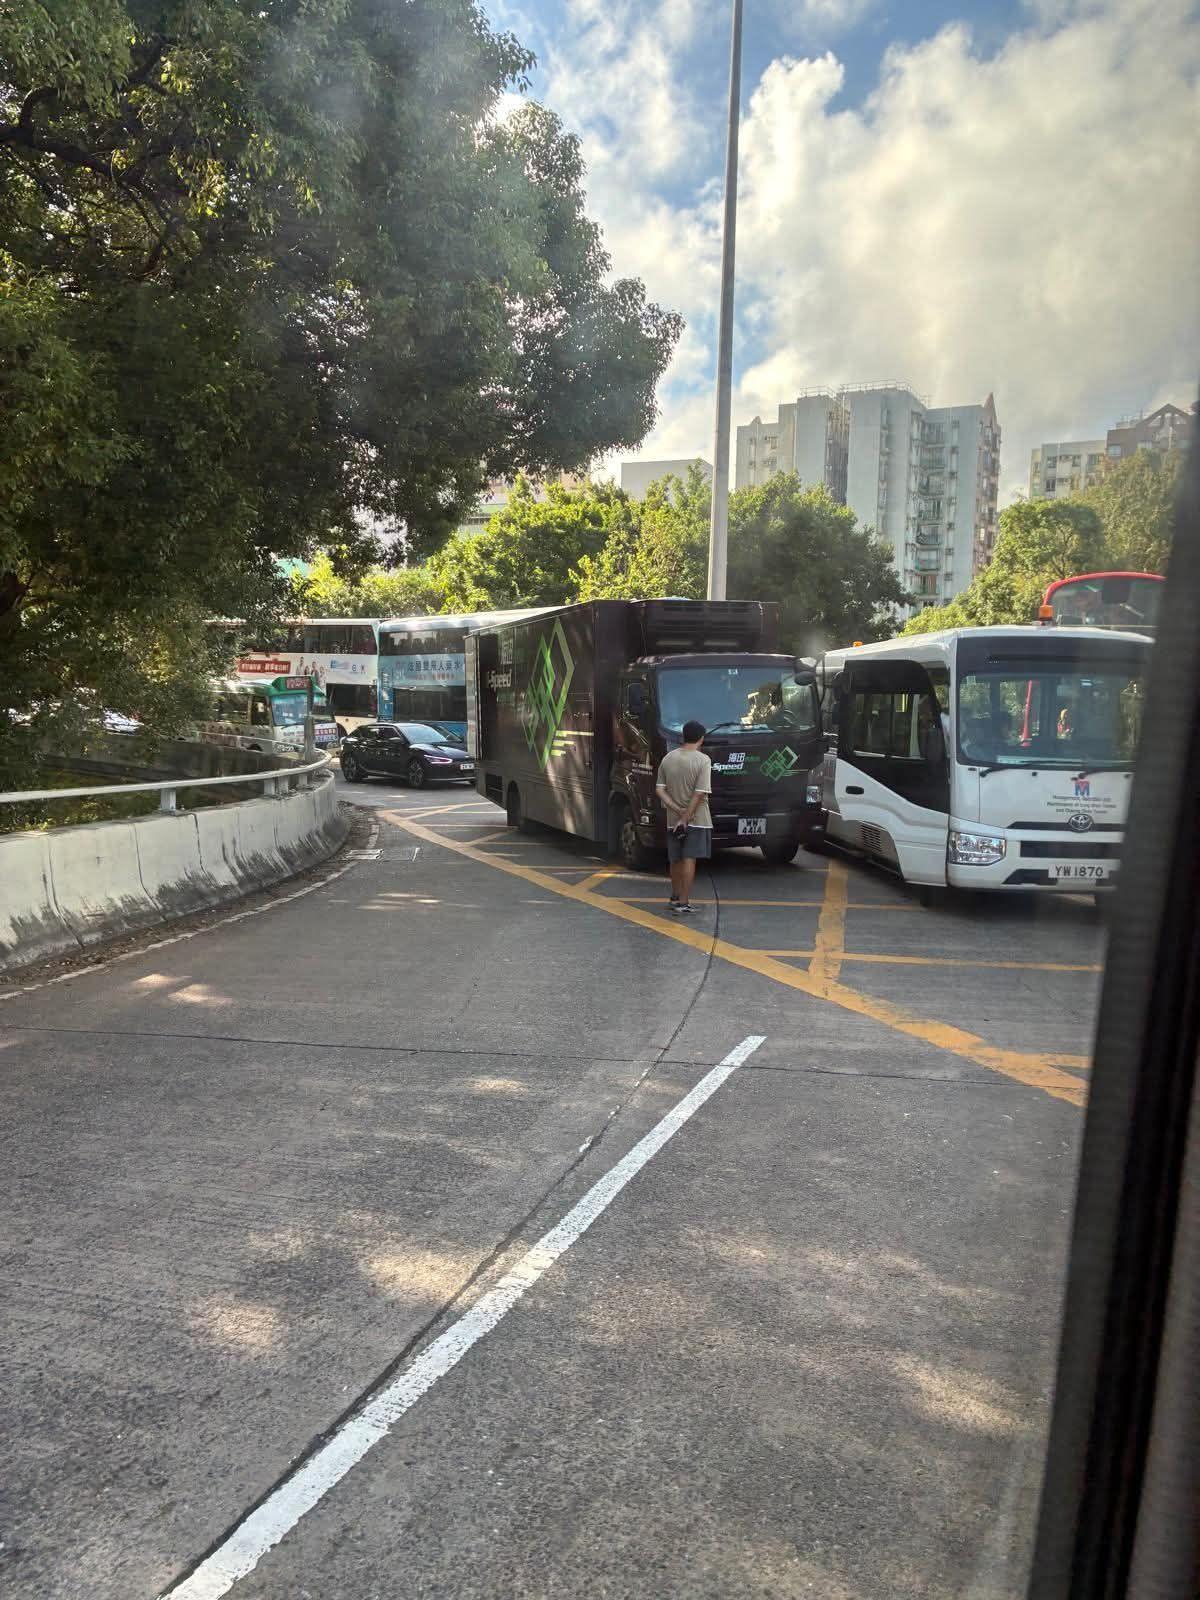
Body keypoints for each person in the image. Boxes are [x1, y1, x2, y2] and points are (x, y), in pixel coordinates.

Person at [655, 720, 713, 915]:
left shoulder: (668, 758)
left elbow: (660, 790)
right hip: (697, 820)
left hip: (673, 820)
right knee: (689, 858)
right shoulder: (702, 760)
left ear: (683, 736)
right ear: (701, 738)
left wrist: (677, 812)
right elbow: (700, 793)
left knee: (675, 859)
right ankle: (684, 902)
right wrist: (686, 816)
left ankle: (675, 896)